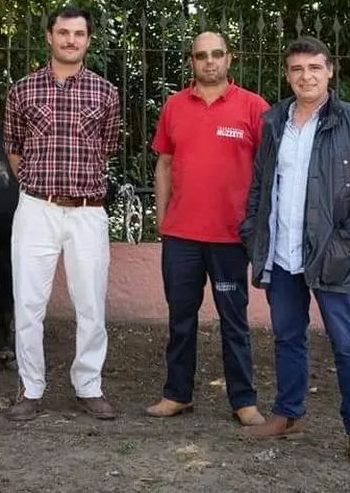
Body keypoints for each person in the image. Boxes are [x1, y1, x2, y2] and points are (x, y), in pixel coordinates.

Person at [239, 36, 350, 465]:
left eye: (314, 68)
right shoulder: (273, 122)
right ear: (287, 75)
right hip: (280, 252)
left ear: (330, 71)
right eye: (297, 69)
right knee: (288, 336)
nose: (305, 76)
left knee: (346, 342)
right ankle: (289, 415)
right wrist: (253, 232)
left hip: (331, 251)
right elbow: (260, 185)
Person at [1, 5, 121, 422]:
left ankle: (89, 386)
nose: (71, 40)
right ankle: (30, 389)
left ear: (88, 40)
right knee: (29, 303)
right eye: (64, 32)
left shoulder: (106, 93)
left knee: (90, 304)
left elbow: (106, 149)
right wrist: (41, 188)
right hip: (36, 208)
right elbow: (13, 149)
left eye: (79, 34)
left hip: (87, 212)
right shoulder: (22, 90)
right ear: (50, 37)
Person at [145, 31, 271, 427]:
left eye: (217, 54)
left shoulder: (254, 108)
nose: (210, 61)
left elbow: (270, 172)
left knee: (234, 320)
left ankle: (244, 401)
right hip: (181, 236)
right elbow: (163, 164)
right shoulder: (174, 106)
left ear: (229, 59)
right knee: (180, 318)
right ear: (192, 61)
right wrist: (162, 220)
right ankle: (176, 394)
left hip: (231, 238)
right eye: (202, 56)